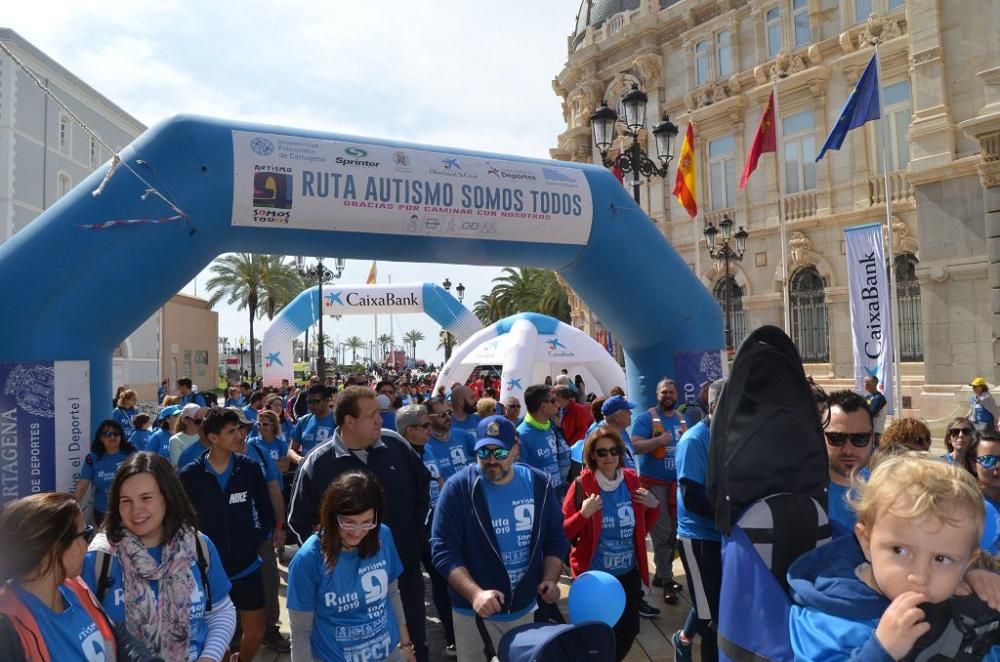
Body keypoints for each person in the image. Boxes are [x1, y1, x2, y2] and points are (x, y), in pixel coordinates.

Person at [788, 453, 1000, 660]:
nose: (919, 576)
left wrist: (981, 596)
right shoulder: (827, 616)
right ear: (866, 542)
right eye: (900, 551)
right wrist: (880, 652)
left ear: (966, 563)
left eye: (941, 559)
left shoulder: (958, 595)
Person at [288, 386, 432, 662]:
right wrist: (336, 565)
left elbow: (423, 490)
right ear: (349, 421)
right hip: (344, 597)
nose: (381, 419)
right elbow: (300, 523)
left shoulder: (397, 446)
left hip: (402, 575)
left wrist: (414, 541)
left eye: (380, 412)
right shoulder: (317, 465)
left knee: (413, 644)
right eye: (372, 414)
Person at [431, 415, 568, 660]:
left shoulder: (539, 484)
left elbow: (555, 538)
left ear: (516, 449)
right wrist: (475, 594)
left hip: (525, 608)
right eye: (483, 452)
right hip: (472, 613)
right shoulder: (457, 488)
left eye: (500, 453)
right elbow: (442, 550)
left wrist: (549, 578)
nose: (492, 460)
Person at [83, 452, 237, 661]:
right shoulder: (100, 559)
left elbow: (221, 611)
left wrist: (209, 657)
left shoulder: (198, 546)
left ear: (168, 496)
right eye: (125, 501)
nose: (136, 510)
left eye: (146, 498)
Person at [287, 470, 416, 661]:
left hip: (389, 653)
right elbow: (300, 632)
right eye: (348, 522)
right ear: (332, 516)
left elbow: (392, 593)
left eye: (366, 522)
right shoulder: (308, 559)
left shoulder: (383, 535)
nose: (357, 532)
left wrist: (406, 644)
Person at [179, 408, 275, 662]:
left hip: (246, 567)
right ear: (212, 437)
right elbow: (180, 521)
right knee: (215, 637)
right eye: (231, 431)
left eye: (239, 430)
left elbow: (266, 511)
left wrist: (255, 539)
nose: (239, 436)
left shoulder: (249, 469)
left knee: (255, 631)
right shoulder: (190, 475)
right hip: (207, 572)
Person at [563, 427, 661, 660]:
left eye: (614, 451)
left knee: (629, 630)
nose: (609, 457)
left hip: (627, 574)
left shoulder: (630, 480)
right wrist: (584, 515)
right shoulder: (581, 485)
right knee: (595, 636)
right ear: (592, 456)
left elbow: (641, 529)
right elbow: (563, 531)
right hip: (595, 577)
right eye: (602, 452)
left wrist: (654, 506)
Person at [0, 493, 118, 661]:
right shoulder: (7, 630)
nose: (87, 544)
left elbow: (116, 636)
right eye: (85, 534)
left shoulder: (75, 586)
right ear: (55, 548)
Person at [671, 379, 726, 662]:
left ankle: (682, 638)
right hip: (699, 539)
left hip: (725, 536)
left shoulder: (731, 436)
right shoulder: (694, 440)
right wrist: (734, 512)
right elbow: (693, 498)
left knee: (715, 605)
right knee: (712, 623)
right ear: (714, 407)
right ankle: (686, 642)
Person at [630, 377, 687, 603]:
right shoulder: (647, 419)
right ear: (657, 394)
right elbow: (634, 446)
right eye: (664, 392)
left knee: (674, 533)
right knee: (662, 534)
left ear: (677, 395)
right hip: (655, 485)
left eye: (671, 392)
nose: (668, 396)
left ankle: (663, 574)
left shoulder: (682, 420)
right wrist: (659, 441)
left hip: (677, 487)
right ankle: (666, 581)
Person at [824, 390, 876, 532]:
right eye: (836, 437)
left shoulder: (884, 490)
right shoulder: (804, 495)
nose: (848, 449)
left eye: (859, 438)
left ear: (872, 438)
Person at [73, 419, 137, 526]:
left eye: (116, 433)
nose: (112, 437)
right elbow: (82, 487)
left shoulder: (132, 455)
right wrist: (73, 510)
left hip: (129, 511)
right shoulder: (92, 459)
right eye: (107, 434)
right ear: (100, 438)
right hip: (102, 513)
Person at [516, 384, 568, 496]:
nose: (558, 404)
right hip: (537, 500)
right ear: (543, 406)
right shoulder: (522, 435)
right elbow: (519, 474)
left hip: (555, 496)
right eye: (553, 401)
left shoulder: (548, 427)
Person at [289, 384, 336, 462]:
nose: (311, 405)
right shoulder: (303, 421)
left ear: (326, 400)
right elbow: (290, 451)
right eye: (309, 401)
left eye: (315, 401)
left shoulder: (338, 421)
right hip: (308, 472)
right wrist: (299, 460)